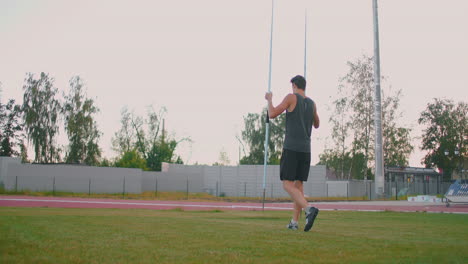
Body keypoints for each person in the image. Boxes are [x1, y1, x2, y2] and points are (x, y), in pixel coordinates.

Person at [265, 75, 320, 232]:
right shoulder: (312, 103)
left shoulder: (291, 97)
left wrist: (269, 99)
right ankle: (294, 222)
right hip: (306, 149)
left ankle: (309, 209)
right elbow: (317, 124)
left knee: (287, 184)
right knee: (298, 187)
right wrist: (309, 115)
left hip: (292, 147)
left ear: (295, 86)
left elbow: (272, 113)